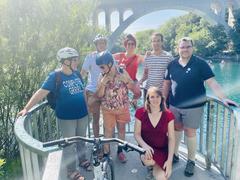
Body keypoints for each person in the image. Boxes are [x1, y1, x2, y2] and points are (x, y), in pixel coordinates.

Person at [163, 37, 238, 177]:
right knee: (176, 128)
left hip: (194, 107)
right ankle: (175, 154)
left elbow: (212, 83)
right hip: (174, 105)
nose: (185, 49)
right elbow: (166, 84)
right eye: (182, 47)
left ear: (192, 48)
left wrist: (224, 98)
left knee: (190, 132)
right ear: (178, 49)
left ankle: (191, 161)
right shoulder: (172, 64)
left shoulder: (200, 63)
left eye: (187, 46)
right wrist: (163, 102)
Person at [18, 47, 89, 180]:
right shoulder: (55, 76)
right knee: (69, 144)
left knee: (81, 139)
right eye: (74, 59)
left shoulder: (77, 74)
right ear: (65, 61)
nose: (77, 62)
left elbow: (83, 91)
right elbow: (41, 92)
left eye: (77, 59)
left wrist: (87, 108)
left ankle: (83, 160)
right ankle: (72, 171)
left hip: (82, 114)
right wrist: (26, 108)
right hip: (67, 117)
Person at [96, 51, 141, 163]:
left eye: (102, 67)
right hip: (107, 110)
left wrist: (126, 81)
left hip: (122, 108)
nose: (100, 70)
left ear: (110, 63)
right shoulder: (101, 76)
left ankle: (120, 151)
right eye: (99, 67)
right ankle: (106, 153)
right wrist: (102, 84)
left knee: (121, 130)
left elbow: (133, 88)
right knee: (108, 131)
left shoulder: (122, 72)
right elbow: (98, 95)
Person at [134, 87, 175, 180]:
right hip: (146, 149)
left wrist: (169, 161)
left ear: (162, 98)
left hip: (162, 149)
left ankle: (154, 169)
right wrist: (144, 146)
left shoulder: (168, 115)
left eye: (157, 96)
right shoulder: (140, 112)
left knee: (163, 178)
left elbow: (172, 138)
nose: (155, 99)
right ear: (147, 99)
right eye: (152, 97)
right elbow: (136, 134)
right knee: (148, 161)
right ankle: (152, 167)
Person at [81, 34, 107, 137]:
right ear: (96, 45)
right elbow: (83, 72)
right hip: (92, 91)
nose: (101, 45)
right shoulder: (90, 56)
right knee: (95, 118)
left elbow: (115, 72)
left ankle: (106, 143)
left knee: (107, 118)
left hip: (106, 91)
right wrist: (79, 87)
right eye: (99, 43)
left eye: (103, 43)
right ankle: (97, 142)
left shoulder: (109, 56)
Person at [139, 32, 173, 97]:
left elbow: (173, 75)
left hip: (162, 92)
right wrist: (139, 82)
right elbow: (146, 74)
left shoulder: (168, 57)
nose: (156, 43)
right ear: (151, 43)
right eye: (154, 41)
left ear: (162, 42)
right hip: (148, 90)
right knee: (147, 107)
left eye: (158, 41)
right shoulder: (147, 57)